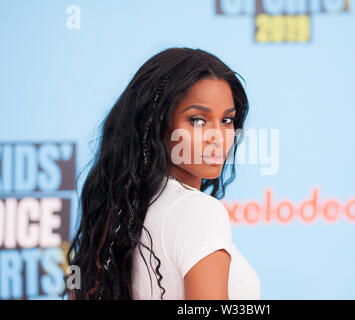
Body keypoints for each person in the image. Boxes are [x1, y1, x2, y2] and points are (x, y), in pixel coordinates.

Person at [64, 47, 261, 300]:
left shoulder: (119, 214)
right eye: (198, 120)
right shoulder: (201, 212)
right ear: (157, 124)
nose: (219, 138)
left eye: (226, 120)